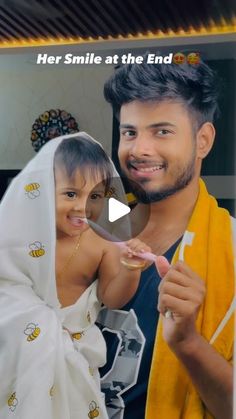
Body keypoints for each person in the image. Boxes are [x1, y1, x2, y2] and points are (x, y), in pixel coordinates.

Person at [97, 57, 235, 419]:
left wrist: (188, 342)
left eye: (161, 131)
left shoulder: (231, 248)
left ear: (203, 140)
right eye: (129, 132)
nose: (139, 149)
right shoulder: (97, 219)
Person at [0, 132, 151, 419]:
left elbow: (112, 297)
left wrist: (130, 270)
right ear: (44, 190)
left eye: (94, 196)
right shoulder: (26, 233)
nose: (82, 207)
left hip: (74, 353)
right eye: (70, 194)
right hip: (22, 351)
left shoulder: (102, 239)